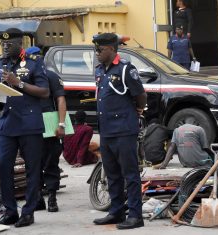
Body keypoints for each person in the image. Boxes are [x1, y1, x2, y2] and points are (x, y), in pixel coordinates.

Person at [0, 28, 49, 227]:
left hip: (29, 123)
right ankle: (10, 211)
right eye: (2, 44)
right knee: (4, 166)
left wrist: (19, 83)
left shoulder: (34, 62)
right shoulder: (0, 63)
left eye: (9, 44)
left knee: (32, 169)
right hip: (7, 122)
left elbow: (44, 92)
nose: (5, 47)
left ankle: (29, 212)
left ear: (20, 44)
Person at [92, 33, 147, 230]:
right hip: (106, 130)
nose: (97, 53)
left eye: (100, 49)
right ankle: (116, 211)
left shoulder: (125, 70)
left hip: (124, 129)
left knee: (130, 174)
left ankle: (135, 215)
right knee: (113, 173)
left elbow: (140, 95)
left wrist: (138, 110)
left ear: (112, 49)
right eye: (95, 49)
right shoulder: (99, 71)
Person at [25, 46, 67, 213]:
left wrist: (61, 124)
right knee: (34, 165)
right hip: (30, 126)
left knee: (50, 163)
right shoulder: (25, 77)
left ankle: (51, 198)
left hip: (49, 125)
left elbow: (61, 100)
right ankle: (39, 199)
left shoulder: (50, 76)